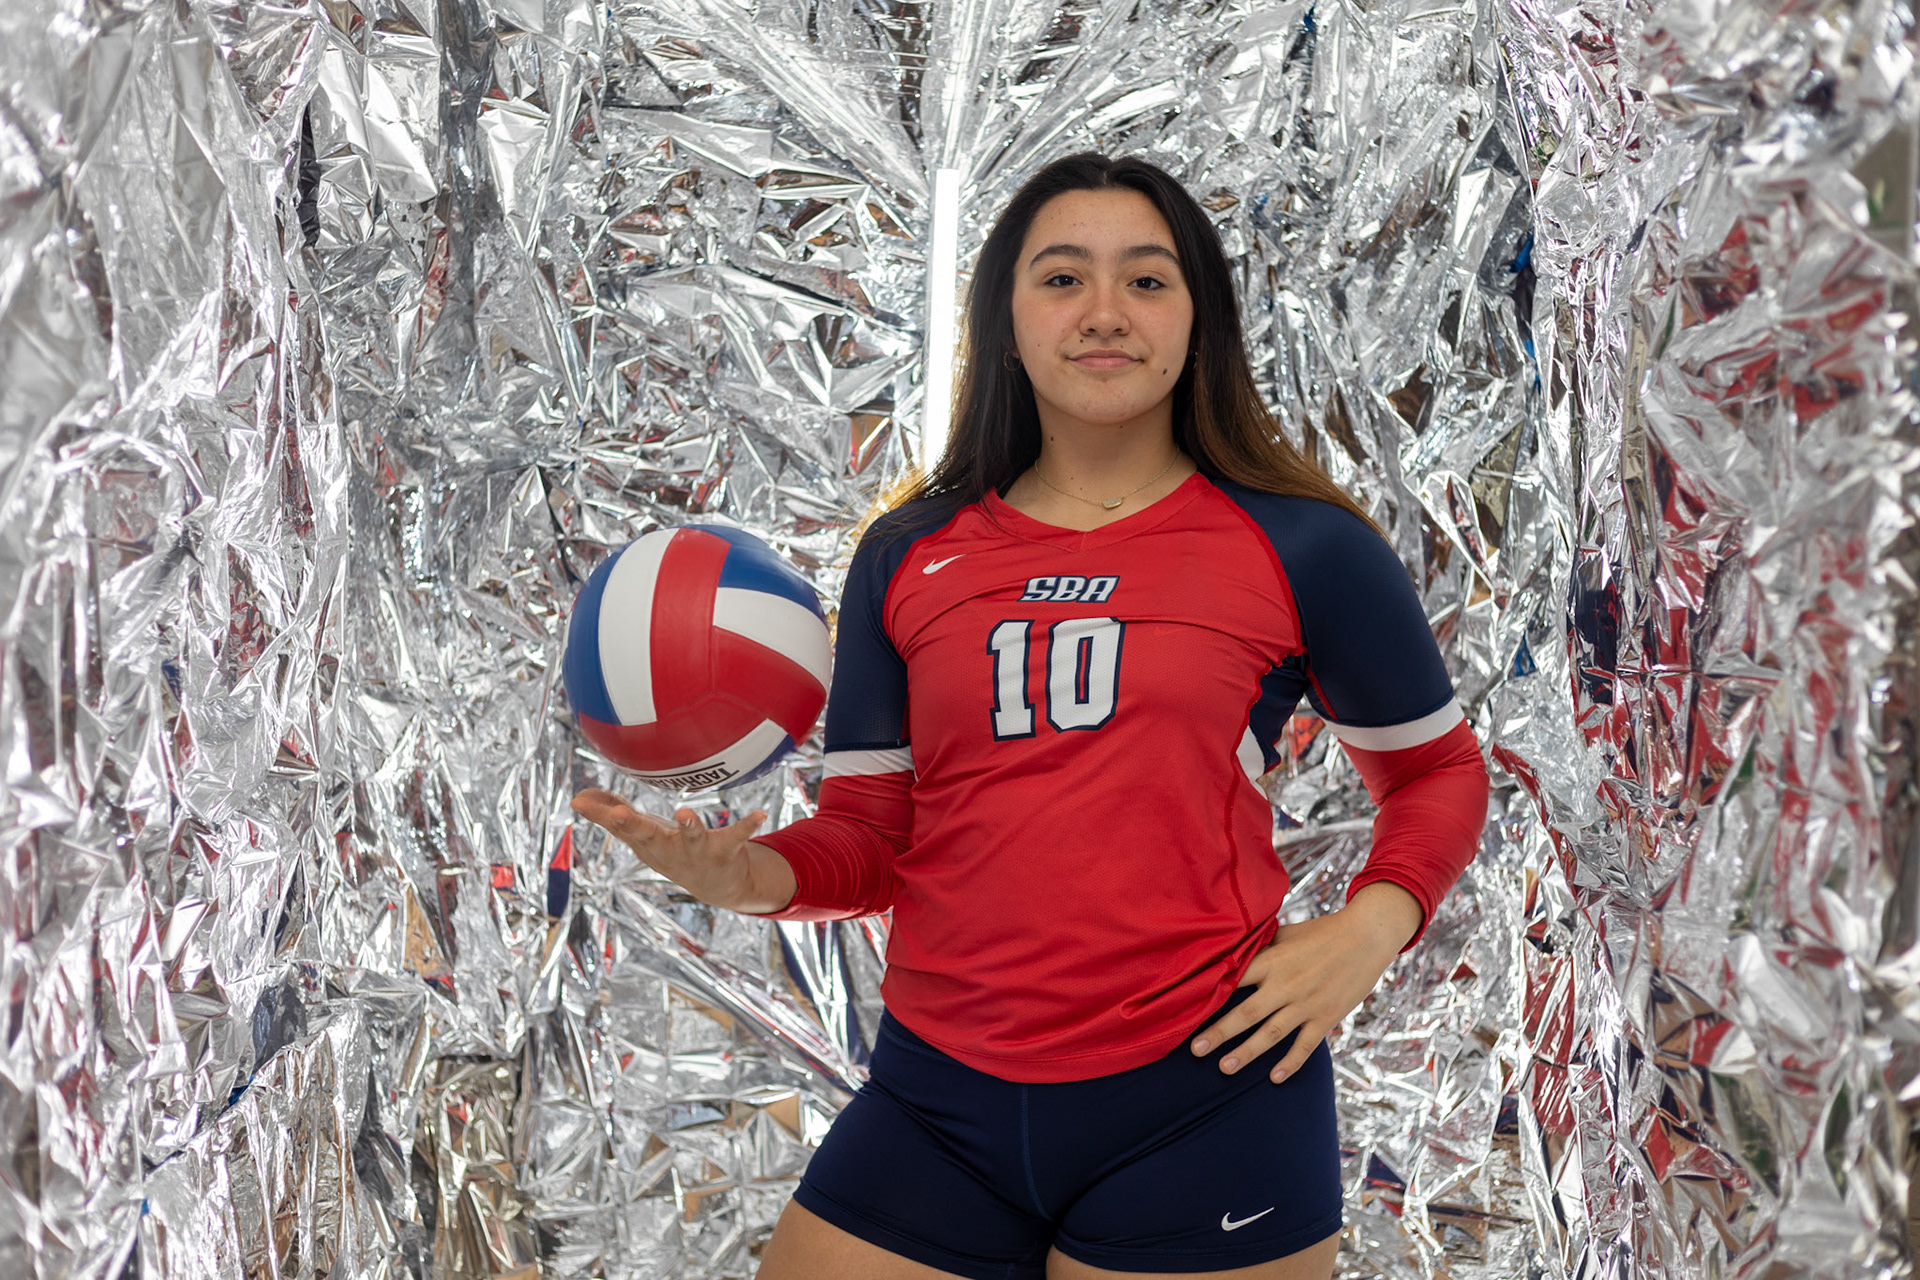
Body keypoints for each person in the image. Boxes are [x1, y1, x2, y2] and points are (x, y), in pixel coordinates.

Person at [571, 152, 1490, 1280]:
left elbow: (1438, 771)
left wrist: (1370, 926)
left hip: (1198, 1092)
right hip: (937, 1103)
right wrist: (747, 874)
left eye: (1147, 281)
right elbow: (872, 839)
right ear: (1003, 318)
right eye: (1062, 278)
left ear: (1199, 317)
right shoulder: (909, 553)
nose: (1105, 312)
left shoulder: (1302, 544)